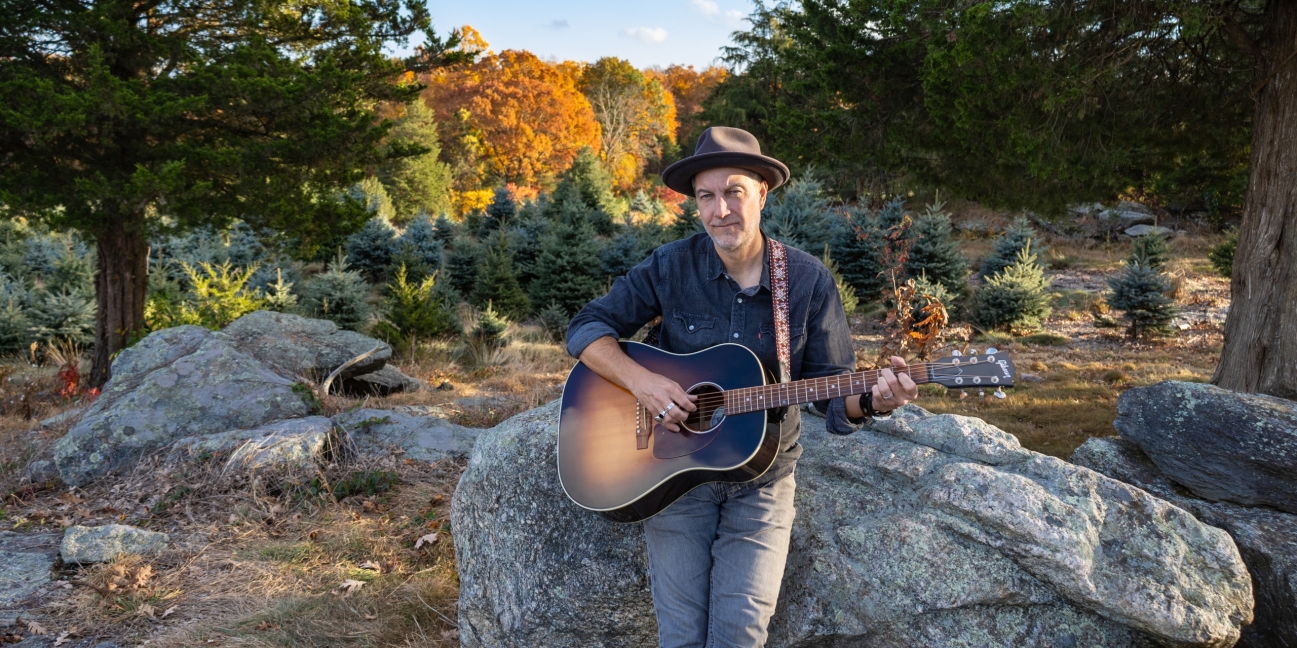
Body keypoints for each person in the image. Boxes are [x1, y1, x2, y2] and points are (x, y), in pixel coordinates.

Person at [564, 126, 919, 648]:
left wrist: (871, 399)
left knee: (740, 635)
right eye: (706, 197)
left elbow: (829, 390)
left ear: (761, 194)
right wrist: (643, 383)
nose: (720, 210)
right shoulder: (670, 265)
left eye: (734, 192)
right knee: (681, 636)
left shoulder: (805, 279)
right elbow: (586, 329)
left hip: (763, 479)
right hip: (671, 470)